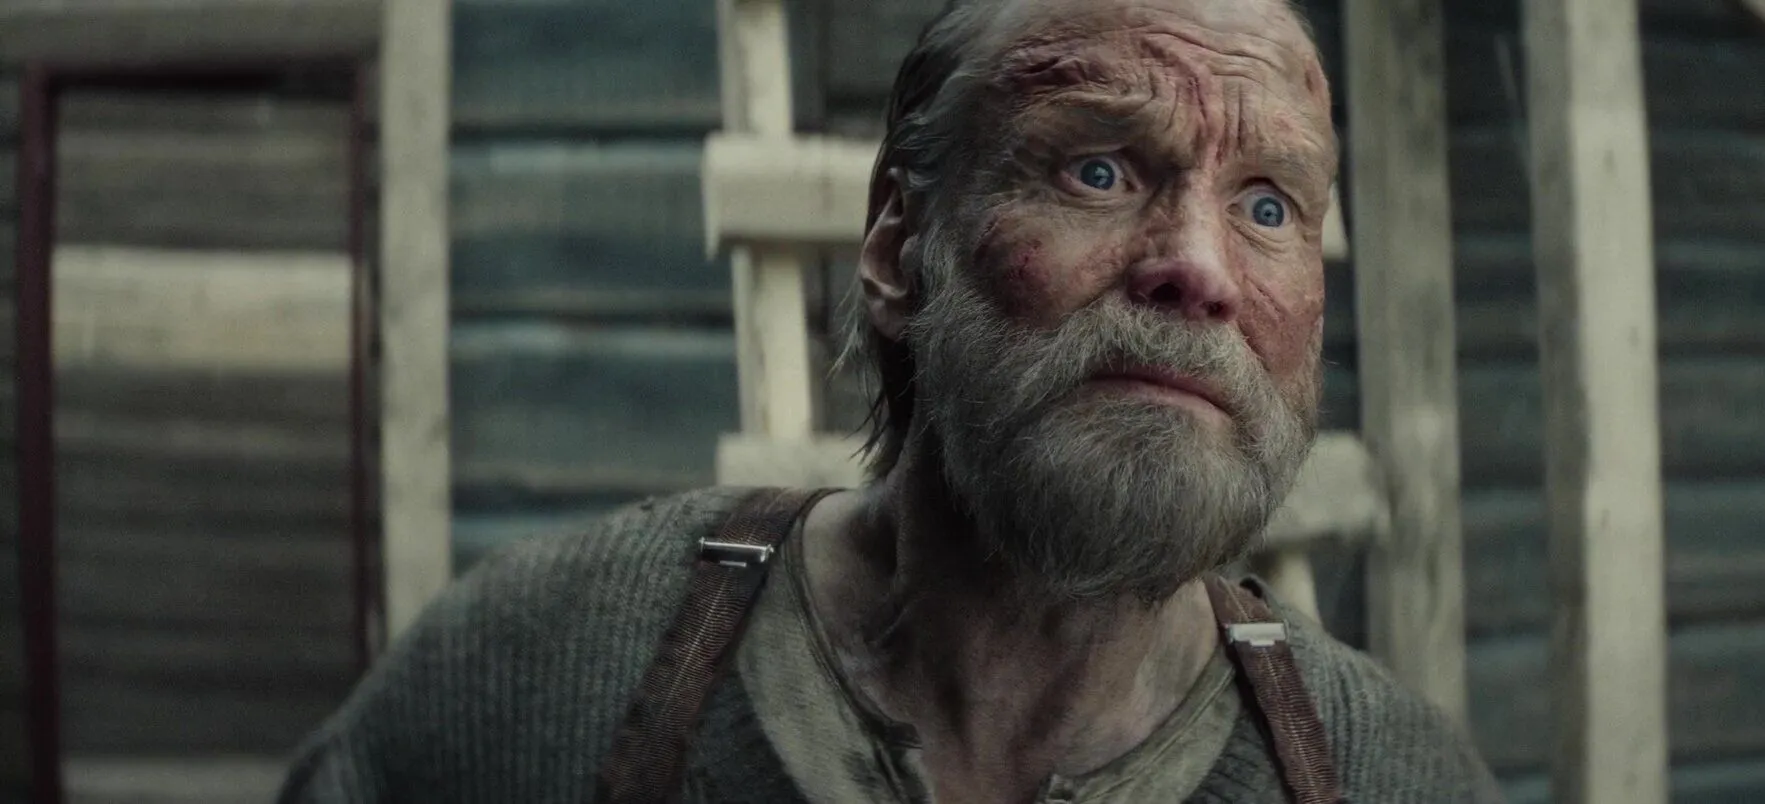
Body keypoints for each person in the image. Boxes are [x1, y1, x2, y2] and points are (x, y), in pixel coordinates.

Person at [280, 0, 1504, 800]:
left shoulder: (1391, 777)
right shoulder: (537, 683)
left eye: (1268, 205)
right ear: (895, 247)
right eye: (1096, 169)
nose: (1197, 265)